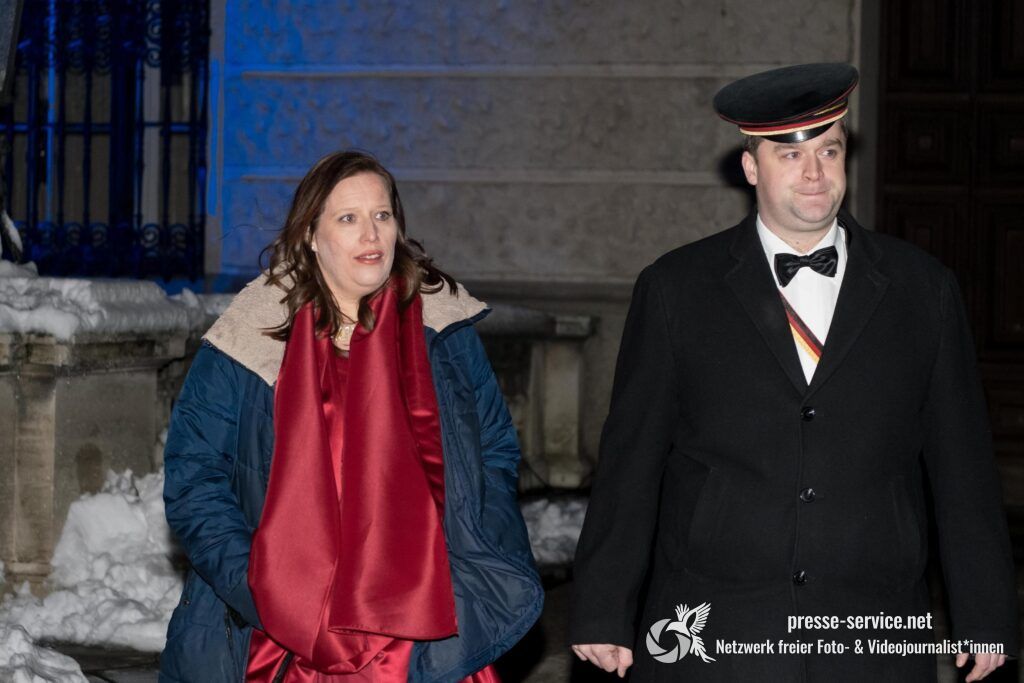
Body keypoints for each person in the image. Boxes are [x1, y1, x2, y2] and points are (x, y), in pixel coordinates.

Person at [569, 63, 1018, 682]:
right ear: (751, 168)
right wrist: (602, 607)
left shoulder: (922, 288)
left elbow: (962, 463)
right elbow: (631, 458)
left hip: (873, 620)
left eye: (829, 151)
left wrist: (986, 613)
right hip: (714, 617)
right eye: (790, 155)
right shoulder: (678, 288)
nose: (814, 173)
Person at [159, 150, 543, 682]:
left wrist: (472, 559)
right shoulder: (247, 339)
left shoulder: (444, 329)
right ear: (311, 236)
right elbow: (193, 480)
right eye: (348, 218)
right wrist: (262, 586)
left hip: (425, 625)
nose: (371, 234)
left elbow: (495, 449)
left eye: (382, 215)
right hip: (285, 634)